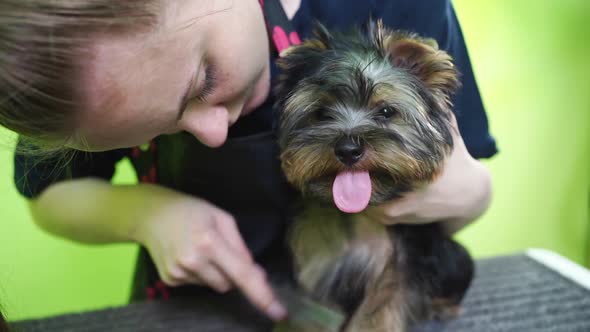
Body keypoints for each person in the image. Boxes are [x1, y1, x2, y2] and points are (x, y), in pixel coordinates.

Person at [1, 0, 496, 323]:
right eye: (161, 131)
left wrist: (472, 192)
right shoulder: (78, 79)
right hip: (195, 308)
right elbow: (47, 197)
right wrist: (148, 213)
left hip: (367, 298)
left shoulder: (398, 6)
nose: (214, 132)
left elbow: (454, 216)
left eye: (206, 80)